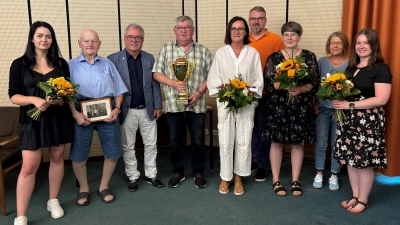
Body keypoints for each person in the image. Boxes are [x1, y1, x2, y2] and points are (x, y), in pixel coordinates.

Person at [8, 21, 73, 225]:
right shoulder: (19, 64)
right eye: (40, 35)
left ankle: (53, 200)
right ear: (32, 38)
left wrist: (60, 99)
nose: (44, 39)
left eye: (48, 36)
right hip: (31, 120)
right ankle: (21, 215)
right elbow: (13, 96)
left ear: (52, 40)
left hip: (57, 118)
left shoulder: (61, 64)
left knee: (57, 157)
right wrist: (34, 99)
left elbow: (68, 94)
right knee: (29, 166)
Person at [333, 28, 392, 214]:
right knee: (351, 160)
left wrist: (348, 106)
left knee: (364, 162)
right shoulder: (351, 68)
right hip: (349, 121)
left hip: (367, 122)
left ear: (373, 45)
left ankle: (363, 200)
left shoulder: (381, 68)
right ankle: (355, 195)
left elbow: (382, 99)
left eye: (366, 42)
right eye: (358, 42)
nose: (361, 46)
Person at [68, 29, 128, 206]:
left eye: (93, 41)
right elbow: (65, 93)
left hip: (108, 111)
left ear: (99, 44)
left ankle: (103, 186)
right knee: (79, 155)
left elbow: (119, 90)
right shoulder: (70, 65)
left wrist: (117, 109)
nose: (90, 44)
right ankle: (84, 189)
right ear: (79, 43)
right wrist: (75, 113)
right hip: (81, 111)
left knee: (112, 152)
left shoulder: (108, 64)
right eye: (86, 41)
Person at [153, 15, 213, 189]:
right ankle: (178, 172)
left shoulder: (203, 51)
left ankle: (198, 172)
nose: (184, 30)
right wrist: (174, 83)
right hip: (173, 104)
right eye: (180, 28)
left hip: (197, 103)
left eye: (187, 27)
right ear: (175, 30)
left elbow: (212, 76)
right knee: (175, 141)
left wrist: (199, 92)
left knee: (198, 140)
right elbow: (156, 73)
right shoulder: (166, 49)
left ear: (193, 30)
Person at [207, 16, 263, 195]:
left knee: (244, 140)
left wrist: (248, 92)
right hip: (226, 102)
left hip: (246, 103)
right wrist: (225, 93)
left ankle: (238, 177)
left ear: (246, 32)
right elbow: (214, 79)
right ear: (229, 32)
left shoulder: (253, 53)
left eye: (240, 28)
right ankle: (225, 176)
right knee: (225, 140)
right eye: (233, 28)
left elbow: (258, 80)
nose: (237, 31)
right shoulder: (221, 53)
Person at [262, 21, 319, 196]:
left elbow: (315, 83)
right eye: (286, 34)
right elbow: (268, 83)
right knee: (276, 143)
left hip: (300, 107)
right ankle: (276, 180)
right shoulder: (273, 58)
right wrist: (283, 86)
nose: (289, 38)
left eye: (293, 34)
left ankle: (295, 180)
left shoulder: (309, 57)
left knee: (297, 143)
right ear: (282, 37)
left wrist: (302, 89)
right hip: (278, 107)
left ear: (299, 37)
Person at [108, 23, 163, 192]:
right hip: (126, 110)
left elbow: (154, 84)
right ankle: (133, 176)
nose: (134, 40)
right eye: (130, 37)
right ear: (124, 39)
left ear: (142, 40)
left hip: (148, 109)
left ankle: (151, 175)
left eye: (137, 37)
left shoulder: (149, 58)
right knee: (128, 146)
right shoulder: (113, 59)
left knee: (151, 144)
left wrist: (158, 105)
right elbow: (110, 87)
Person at [248, 6, 284, 182]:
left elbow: (283, 67)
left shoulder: (275, 40)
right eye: (253, 18)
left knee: (263, 129)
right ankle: (253, 160)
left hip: (266, 93)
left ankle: (263, 164)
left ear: (265, 21)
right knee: (250, 129)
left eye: (260, 18)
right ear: (249, 21)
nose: (256, 21)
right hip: (245, 94)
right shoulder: (242, 38)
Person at [312, 31, 349, 191]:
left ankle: (334, 174)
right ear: (328, 45)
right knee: (321, 142)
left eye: (339, 43)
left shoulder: (350, 63)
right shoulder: (321, 62)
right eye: (332, 42)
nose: (335, 45)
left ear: (344, 46)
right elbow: (316, 85)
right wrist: (314, 103)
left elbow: (352, 87)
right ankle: (319, 172)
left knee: (336, 143)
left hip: (340, 110)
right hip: (323, 108)